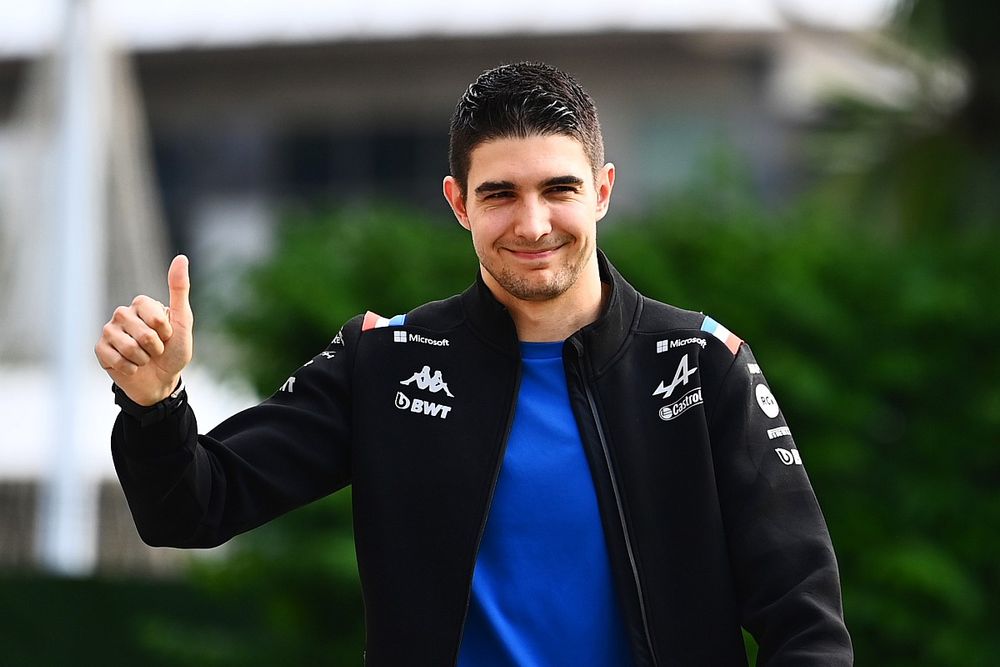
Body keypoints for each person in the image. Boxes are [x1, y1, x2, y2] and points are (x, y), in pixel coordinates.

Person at [95, 62, 853, 666]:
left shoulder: (701, 364)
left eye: (560, 188)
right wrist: (155, 402)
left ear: (604, 191)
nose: (532, 223)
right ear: (459, 203)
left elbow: (805, 618)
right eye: (501, 194)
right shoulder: (385, 364)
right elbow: (193, 507)